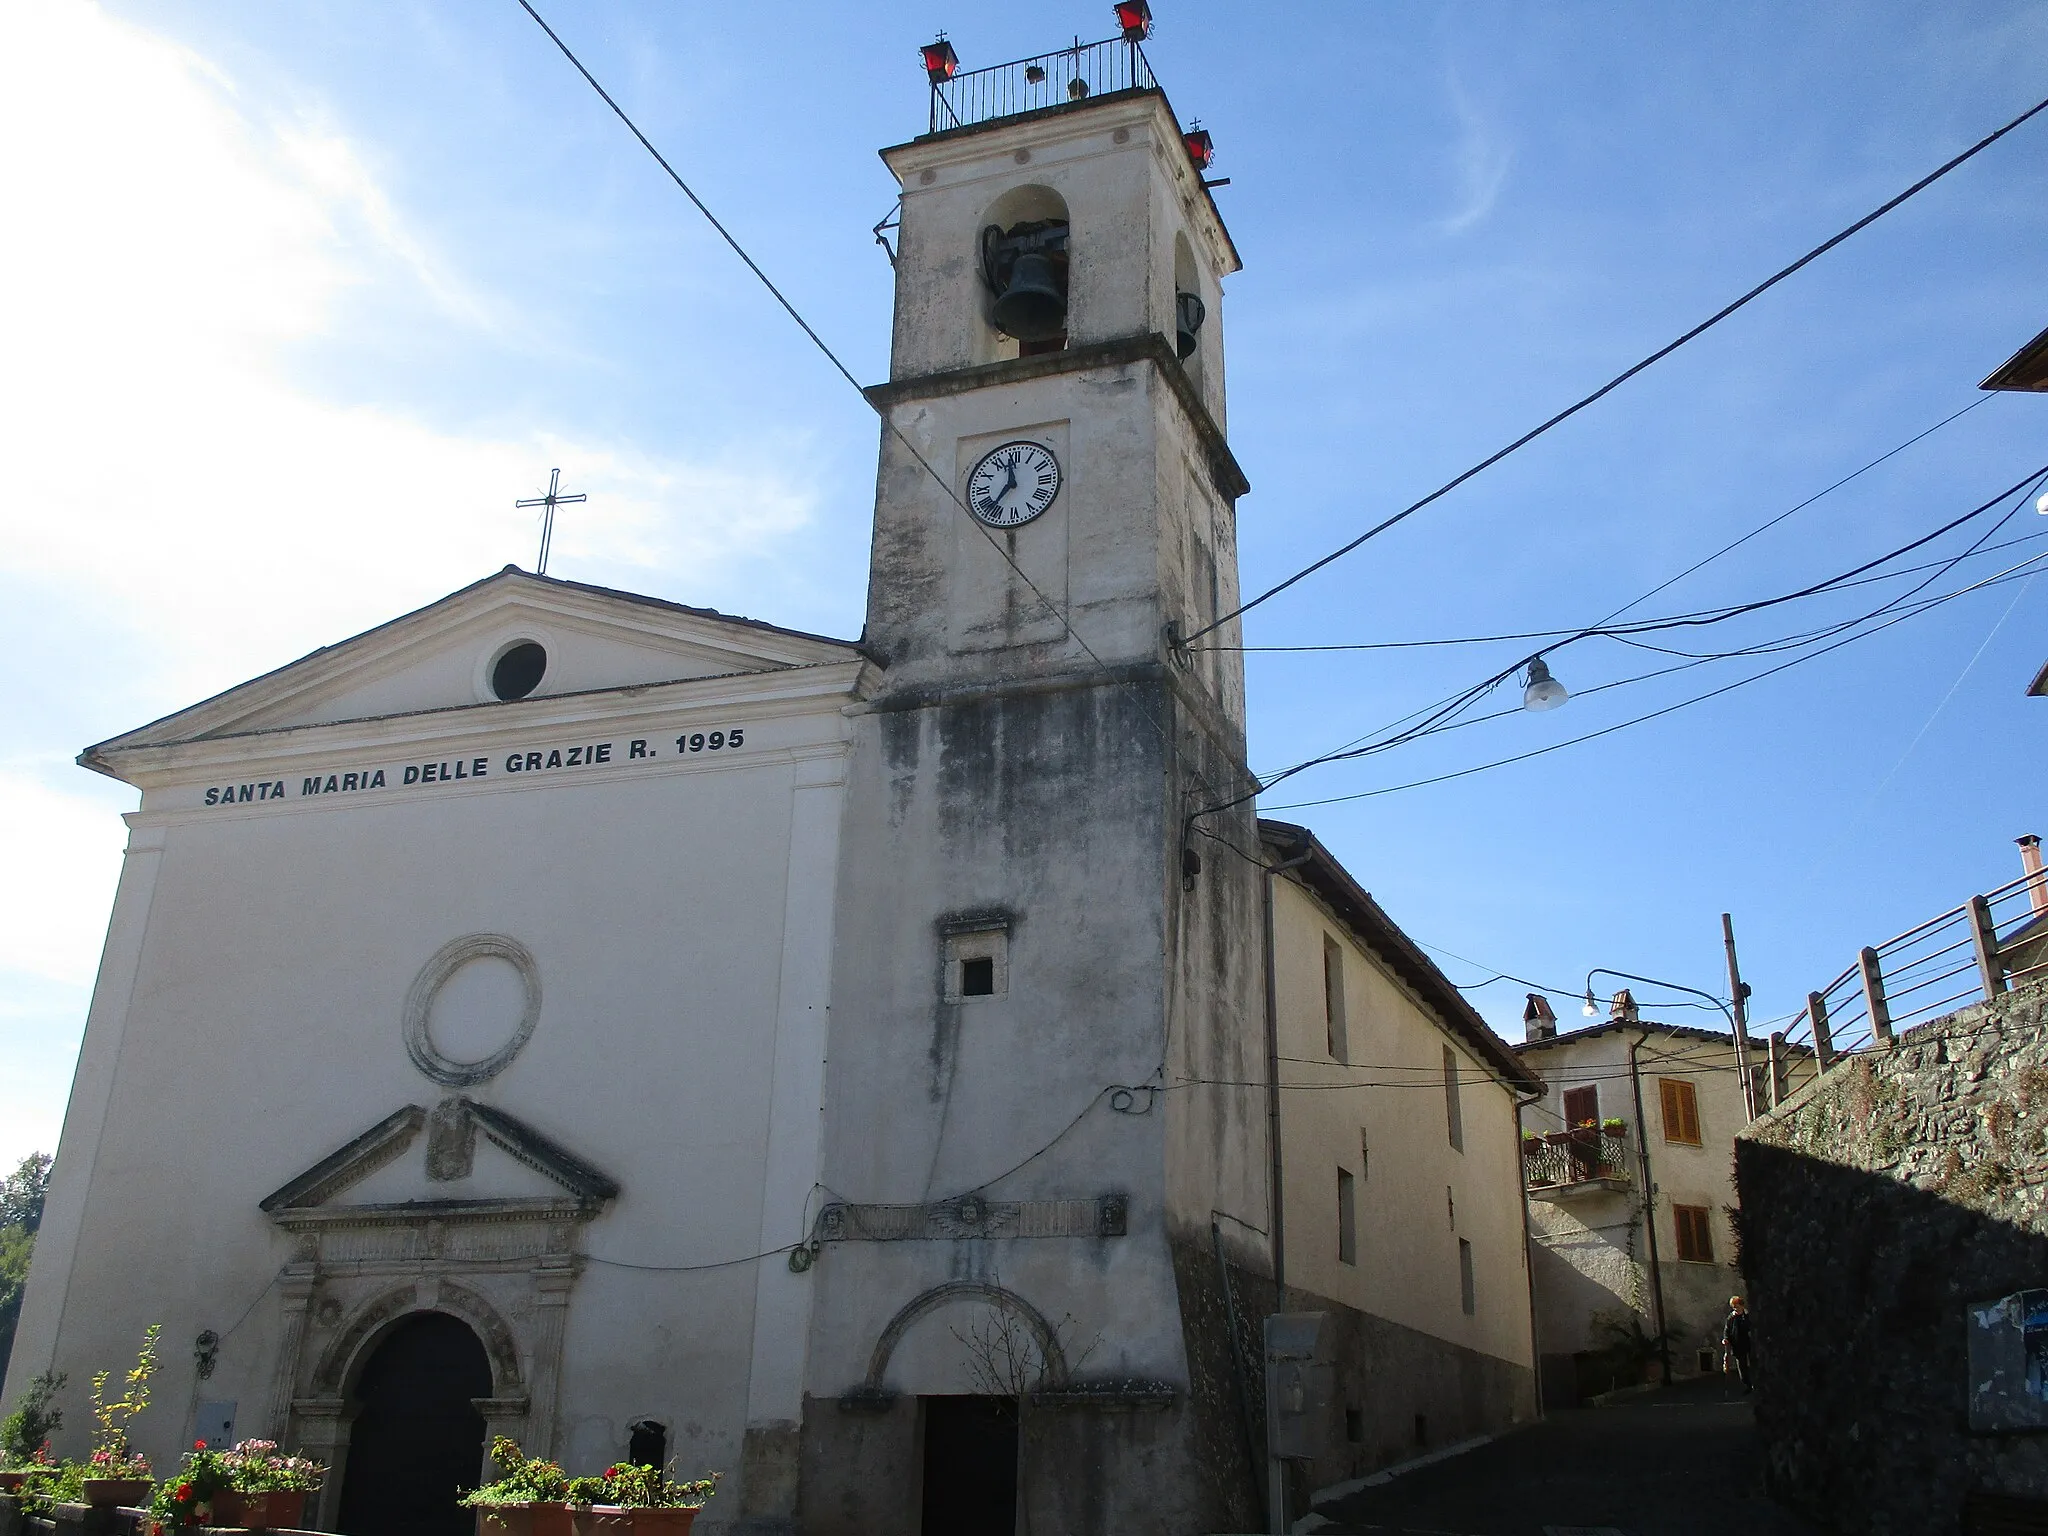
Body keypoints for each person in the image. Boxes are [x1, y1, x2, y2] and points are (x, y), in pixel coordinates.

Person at [1722, 1295, 1753, 1393]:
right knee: (1742, 1368)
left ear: (1742, 1306)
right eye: (1734, 1307)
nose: (1735, 1309)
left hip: (1750, 1344)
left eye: (1737, 1306)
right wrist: (1726, 1339)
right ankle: (1748, 1386)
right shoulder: (1731, 1317)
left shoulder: (1747, 1316)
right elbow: (1727, 1330)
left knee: (1754, 1364)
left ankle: (1756, 1384)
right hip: (1738, 1346)